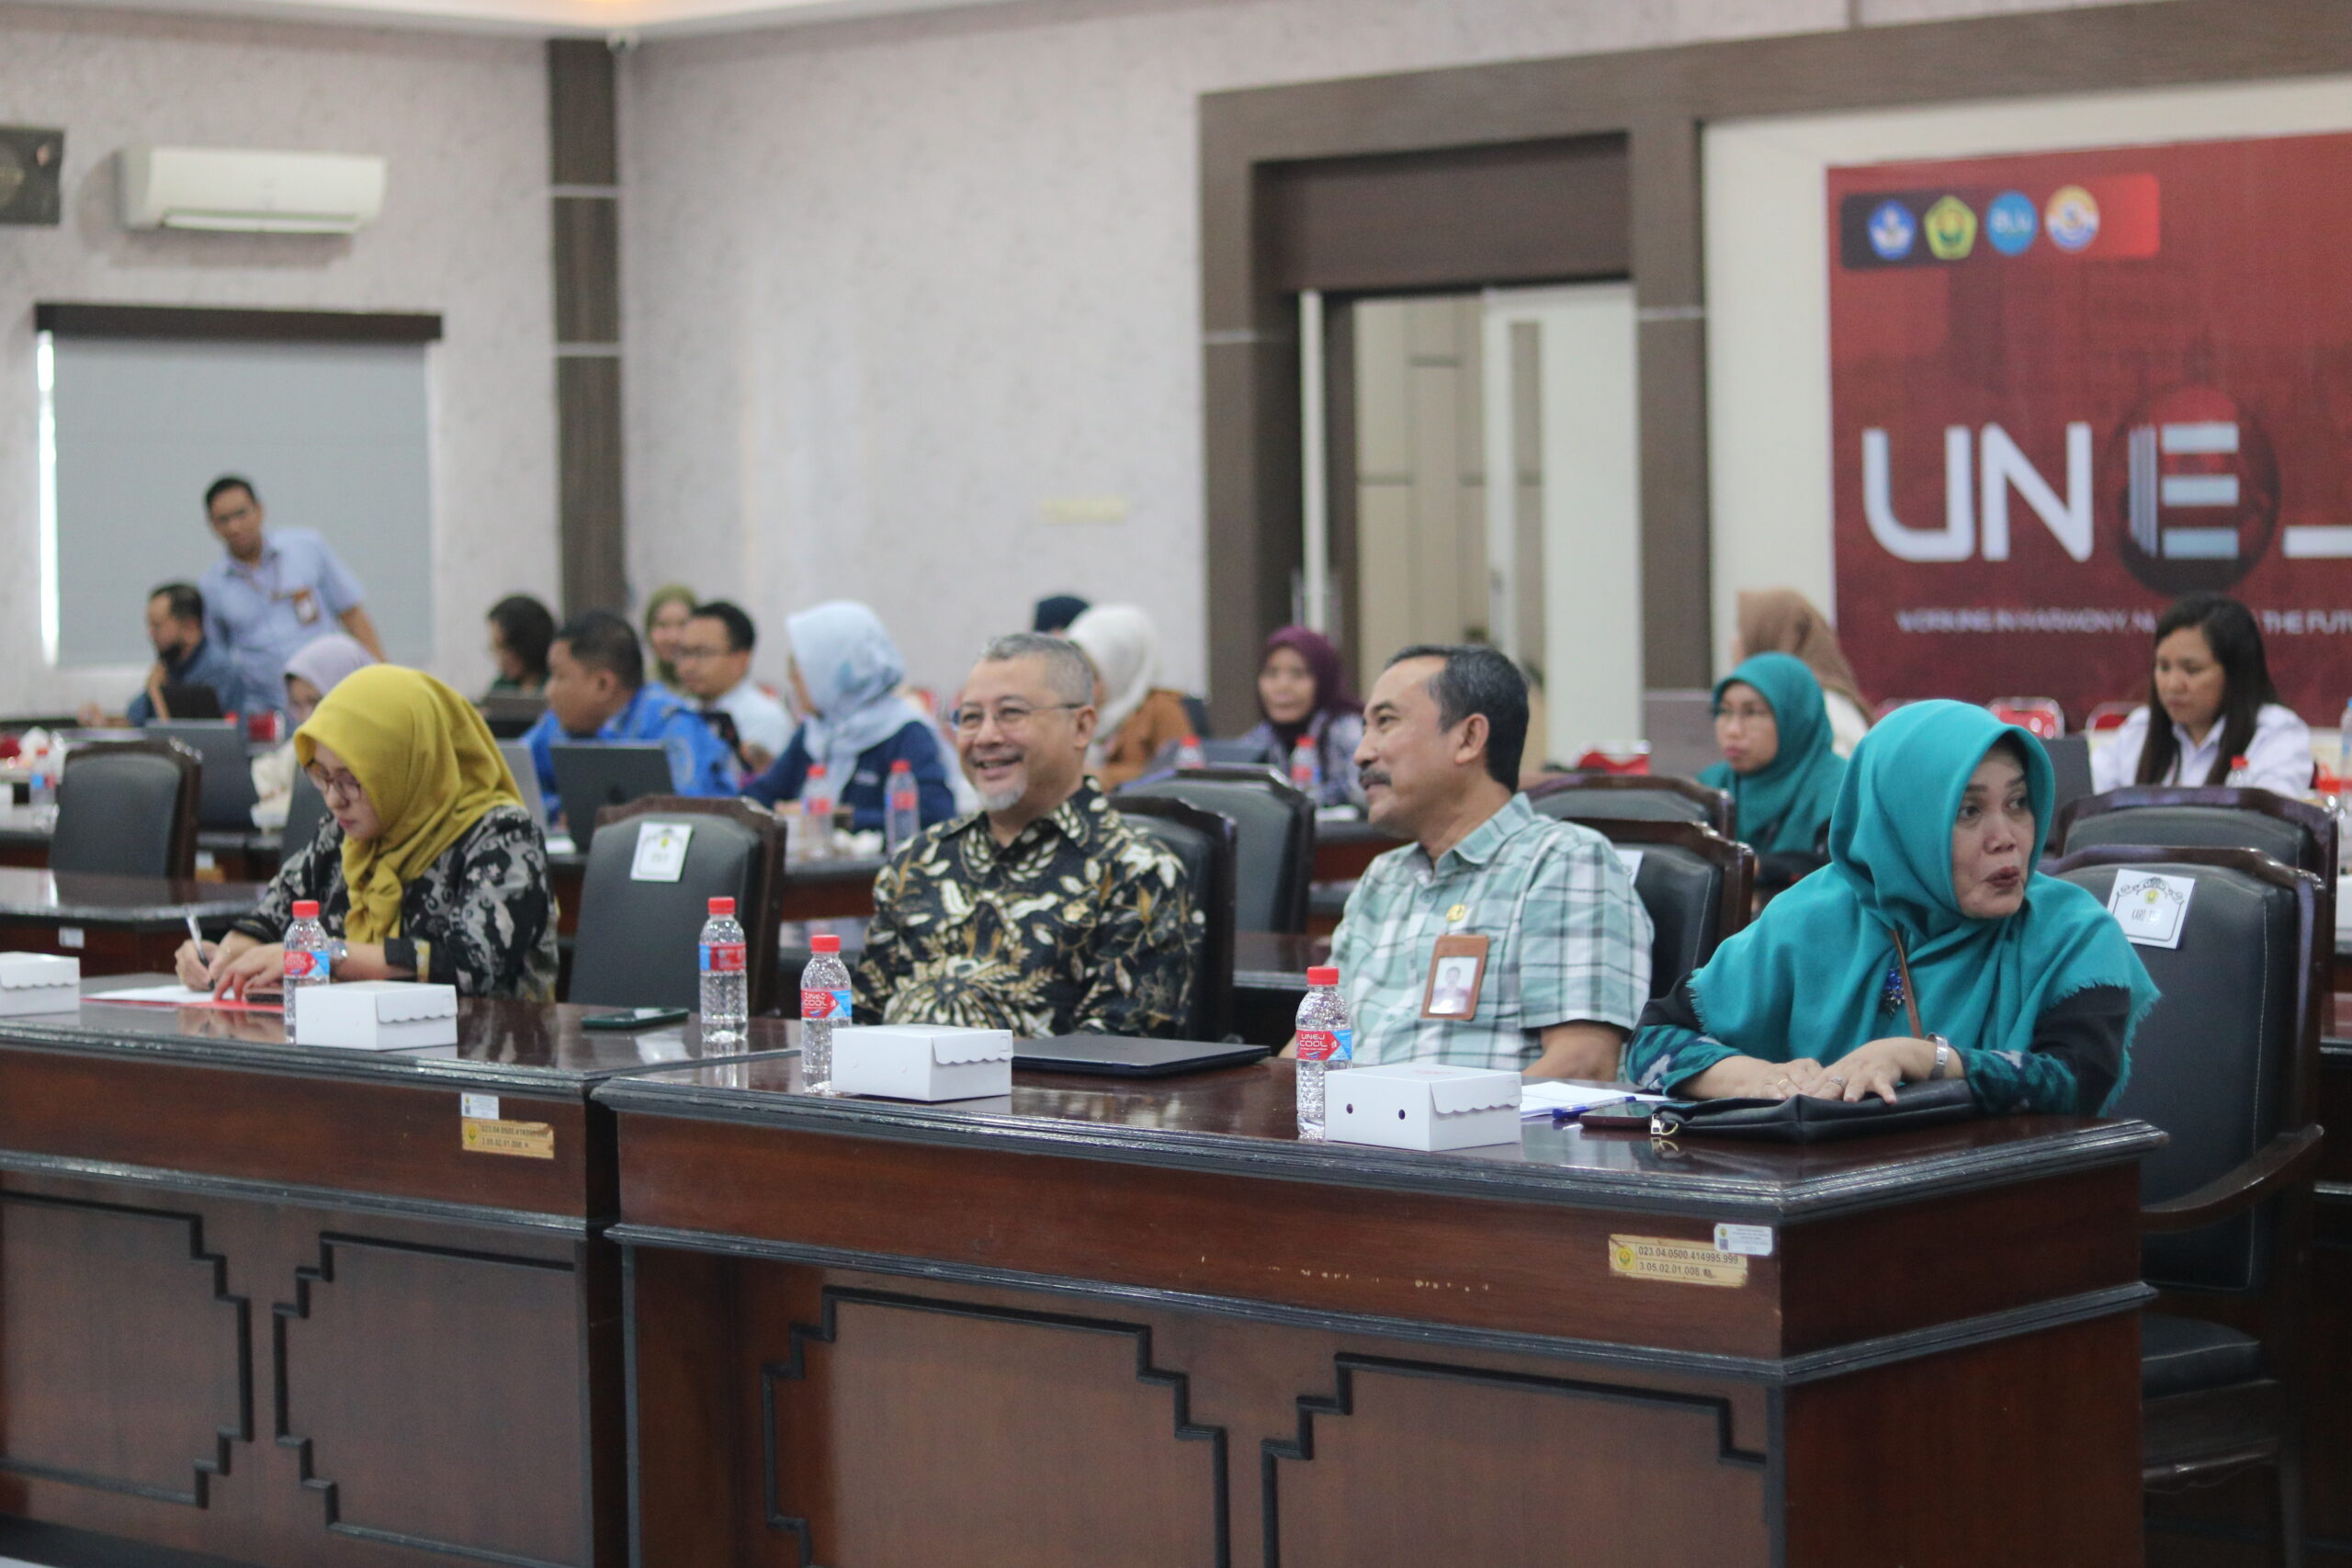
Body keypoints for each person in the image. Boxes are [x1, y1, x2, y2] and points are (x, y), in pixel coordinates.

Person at [1625, 701, 2157, 1112]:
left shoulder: (2072, 931)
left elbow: (2076, 1083)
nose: (2007, 838)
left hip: (2007, 1203)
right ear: (1902, 824)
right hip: (1825, 1196)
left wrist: (1924, 1059)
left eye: (2018, 803)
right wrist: (1761, 1078)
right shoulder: (1813, 916)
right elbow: (1652, 1043)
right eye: (1968, 811)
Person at [1312, 644, 1652, 1079]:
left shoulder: (1563, 862)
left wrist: (1437, 1115)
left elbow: (1584, 1064)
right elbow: (1316, 1045)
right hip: (1351, 1120)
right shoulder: (1383, 879)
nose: (1362, 752)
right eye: (1365, 728)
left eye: (1386, 722)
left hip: (1485, 1124)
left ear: (1469, 738)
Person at [853, 632, 1200, 1036]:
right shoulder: (919, 861)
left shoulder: (1135, 874)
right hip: (888, 1076)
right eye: (970, 717)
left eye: (1011, 714)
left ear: (1081, 726)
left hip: (1037, 1080)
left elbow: (1119, 1052)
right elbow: (859, 1017)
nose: (986, 737)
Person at [174, 666, 560, 1001]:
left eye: (352, 780)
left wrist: (325, 956)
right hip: (361, 1042)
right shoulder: (343, 836)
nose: (334, 800)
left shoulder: (502, 836)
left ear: (407, 765)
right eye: (322, 776)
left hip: (485, 1049)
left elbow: (471, 966)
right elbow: (274, 916)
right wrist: (223, 957)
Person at [746, 601, 956, 832]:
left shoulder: (905, 732)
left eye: (802, 668)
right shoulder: (816, 731)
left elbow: (934, 816)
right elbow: (762, 796)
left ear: (836, 672)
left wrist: (836, 820)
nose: (791, 679)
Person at [519, 612, 737, 824]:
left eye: (559, 676)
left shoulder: (671, 723)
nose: (549, 691)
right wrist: (562, 810)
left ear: (603, 684)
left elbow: (686, 813)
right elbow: (514, 779)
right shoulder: (558, 723)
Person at [198, 476, 384, 720]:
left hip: (330, 699)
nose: (234, 527)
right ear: (211, 525)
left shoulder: (307, 547)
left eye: (241, 514)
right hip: (267, 712)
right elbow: (216, 656)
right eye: (224, 520)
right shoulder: (212, 587)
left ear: (260, 510)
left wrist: (383, 676)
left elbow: (352, 614)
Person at [2091, 593, 2312, 795]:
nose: (2173, 685)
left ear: (2235, 673)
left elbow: (2269, 820)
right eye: (2163, 667)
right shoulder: (2139, 729)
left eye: (2192, 670)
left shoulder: (2275, 734)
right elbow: (2085, 797)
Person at [1700, 653, 1847, 855]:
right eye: (1724, 711)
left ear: (1795, 719)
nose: (1733, 730)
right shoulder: (1710, 785)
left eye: (1752, 712)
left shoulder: (1841, 791)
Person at [1731, 589, 1871, 757]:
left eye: (1743, 633)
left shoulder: (1823, 707)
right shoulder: (1784, 700)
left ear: (1769, 636)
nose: (1734, 643)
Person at [1066, 604, 1193, 788]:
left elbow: (1181, 775)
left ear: (1120, 673)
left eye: (1091, 676)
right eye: (1072, 674)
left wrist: (1106, 778)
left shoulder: (1161, 710)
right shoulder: (1070, 710)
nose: (1078, 686)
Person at [1239, 626, 1364, 807]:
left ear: (1323, 681)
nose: (1282, 686)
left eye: (1298, 674)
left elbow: (1365, 794)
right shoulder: (1263, 735)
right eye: (1271, 674)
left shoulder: (1347, 730)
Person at [252, 634, 378, 807]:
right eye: (297, 705)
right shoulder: (305, 747)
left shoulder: (377, 758)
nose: (306, 717)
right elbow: (266, 772)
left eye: (315, 702)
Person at [673, 601, 792, 773]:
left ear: (741, 659)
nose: (688, 666)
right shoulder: (681, 710)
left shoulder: (765, 718)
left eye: (702, 653)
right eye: (684, 653)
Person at [120, 582, 245, 725]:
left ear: (190, 627)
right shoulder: (170, 666)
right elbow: (133, 718)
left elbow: (193, 734)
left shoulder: (219, 671)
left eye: (157, 626)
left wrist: (155, 691)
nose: (150, 635)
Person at [486, 594, 555, 695]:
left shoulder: (555, 683)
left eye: (506, 647)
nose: (501, 657)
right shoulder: (502, 686)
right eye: (496, 648)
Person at [641, 584, 697, 692]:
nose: (672, 638)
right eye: (662, 625)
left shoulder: (714, 688)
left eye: (683, 624)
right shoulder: (639, 687)